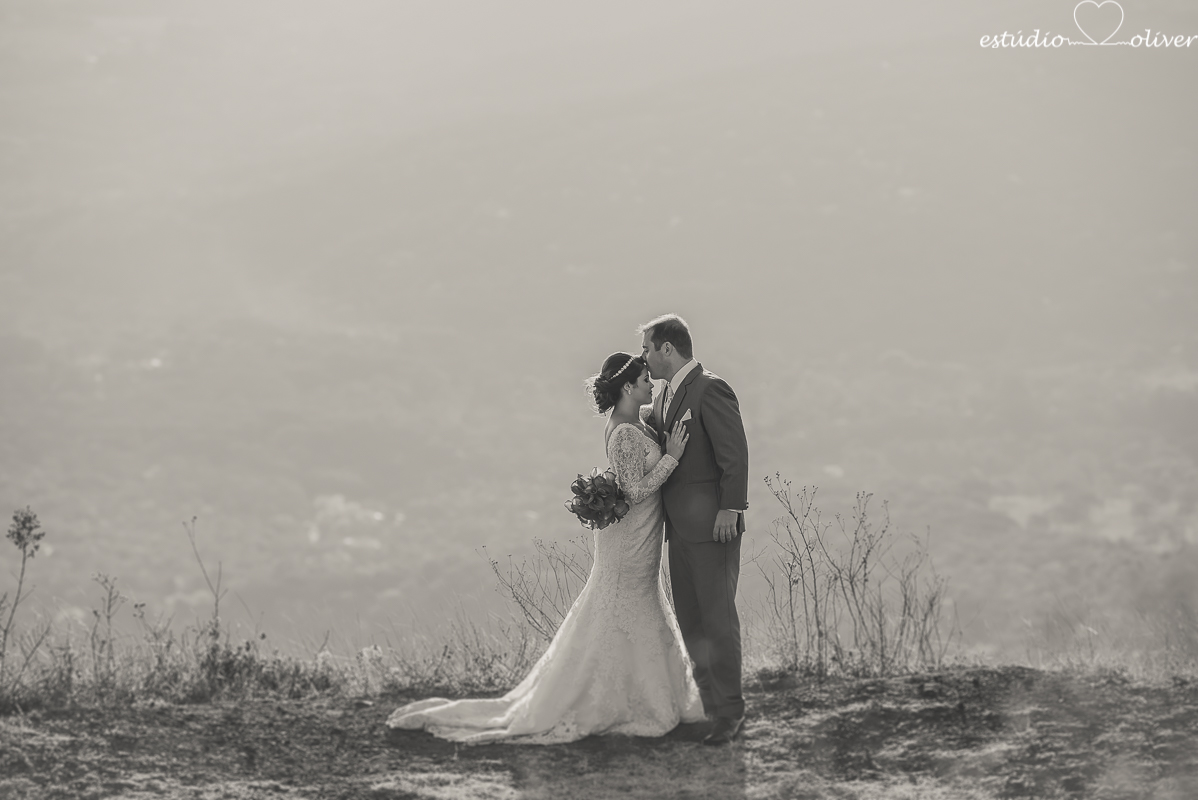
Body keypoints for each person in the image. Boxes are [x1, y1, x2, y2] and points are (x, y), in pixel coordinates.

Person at [386, 353, 705, 744]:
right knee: (624, 606)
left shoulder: (635, 423)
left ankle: (644, 694)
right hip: (629, 540)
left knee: (638, 606)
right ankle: (619, 700)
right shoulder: (622, 433)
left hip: (641, 535)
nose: (651, 385)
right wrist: (672, 457)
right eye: (644, 380)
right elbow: (634, 491)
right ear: (627, 387)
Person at [639, 314, 750, 746]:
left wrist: (731, 508)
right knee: (691, 622)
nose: (644, 357)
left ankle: (730, 713)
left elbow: (734, 454)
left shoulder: (710, 388)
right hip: (678, 531)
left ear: (668, 348)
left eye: (648, 348)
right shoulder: (665, 394)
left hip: (713, 529)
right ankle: (710, 705)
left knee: (718, 620)